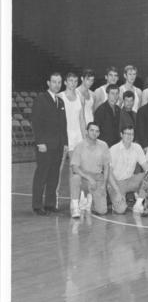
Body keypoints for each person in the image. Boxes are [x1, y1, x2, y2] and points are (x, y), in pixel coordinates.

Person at [31, 73, 68, 216]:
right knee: (42, 175)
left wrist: (65, 143)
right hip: (45, 145)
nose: (57, 85)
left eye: (59, 82)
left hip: (58, 146)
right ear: (48, 83)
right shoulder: (41, 99)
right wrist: (40, 142)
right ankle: (37, 205)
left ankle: (50, 204)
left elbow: (63, 125)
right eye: (54, 82)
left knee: (54, 176)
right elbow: (36, 122)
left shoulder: (61, 102)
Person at [108, 126, 148, 214]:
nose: (129, 136)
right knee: (121, 210)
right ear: (121, 135)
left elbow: (145, 165)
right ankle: (117, 201)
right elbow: (109, 173)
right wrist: (117, 191)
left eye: (132, 134)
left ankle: (138, 203)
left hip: (130, 180)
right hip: (116, 183)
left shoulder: (137, 147)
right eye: (127, 134)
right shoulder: (114, 149)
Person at [56, 72, 86, 207]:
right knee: (59, 168)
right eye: (70, 81)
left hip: (77, 138)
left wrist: (85, 138)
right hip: (64, 137)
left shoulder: (80, 97)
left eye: (75, 81)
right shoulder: (60, 97)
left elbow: (82, 119)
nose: (73, 83)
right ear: (65, 82)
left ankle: (74, 200)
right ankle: (54, 197)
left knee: (75, 170)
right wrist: (60, 139)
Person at [69, 122, 110, 218]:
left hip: (97, 178)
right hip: (84, 177)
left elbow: (107, 166)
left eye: (97, 131)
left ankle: (89, 198)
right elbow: (74, 167)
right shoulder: (80, 146)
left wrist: (104, 184)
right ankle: (75, 207)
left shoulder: (103, 145)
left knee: (102, 211)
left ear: (99, 133)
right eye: (92, 130)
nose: (94, 133)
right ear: (87, 131)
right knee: (75, 178)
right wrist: (89, 178)